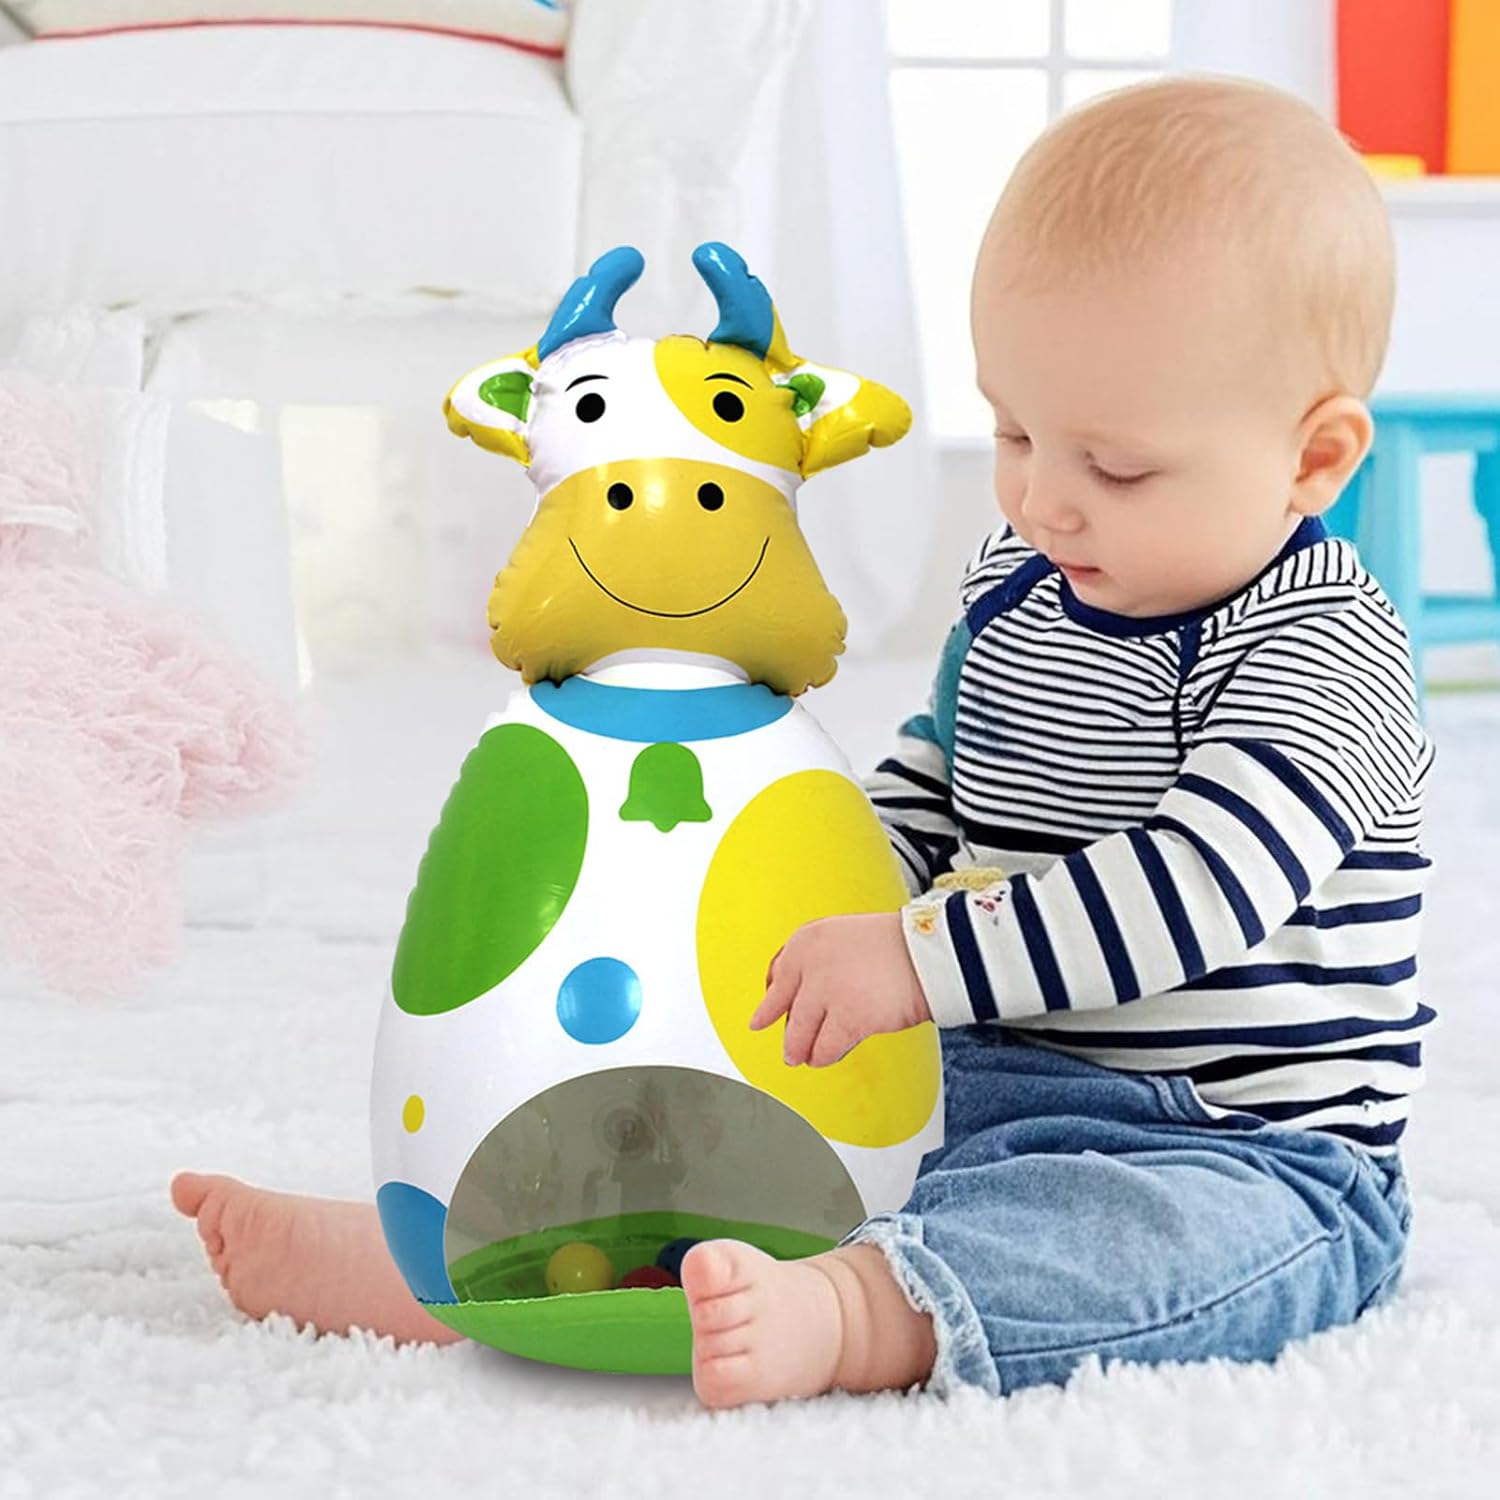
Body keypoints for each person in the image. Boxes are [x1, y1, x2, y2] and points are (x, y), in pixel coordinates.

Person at [173, 75, 1430, 1408]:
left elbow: (1196, 890)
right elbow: (938, 782)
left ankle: (860, 1308)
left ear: (1314, 459)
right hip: (976, 1066)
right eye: (1013, 431)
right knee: (737, 1097)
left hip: (1233, 1147)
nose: (1043, 501)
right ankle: (477, 1250)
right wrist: (810, 904)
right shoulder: (1026, 584)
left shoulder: (1325, 649)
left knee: (1141, 1251)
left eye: (1115, 468)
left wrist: (913, 956)